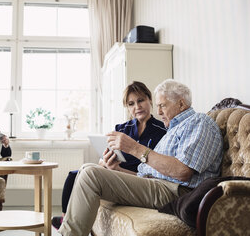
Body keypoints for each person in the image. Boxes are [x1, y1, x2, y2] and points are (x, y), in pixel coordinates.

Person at [58, 79, 223, 236]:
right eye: (158, 106)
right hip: (160, 185)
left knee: (90, 174)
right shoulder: (173, 130)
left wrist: (135, 148)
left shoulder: (200, 122)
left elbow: (182, 172)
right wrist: (117, 169)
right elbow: (146, 176)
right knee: (87, 168)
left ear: (181, 103)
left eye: (162, 106)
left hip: (178, 191)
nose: (158, 112)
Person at [52, 81, 167, 229]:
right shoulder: (121, 129)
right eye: (131, 104)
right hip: (113, 171)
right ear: (127, 107)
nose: (137, 107)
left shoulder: (162, 131)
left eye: (141, 101)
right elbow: (104, 157)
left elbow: (153, 172)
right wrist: (105, 163)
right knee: (74, 175)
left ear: (149, 100)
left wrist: (117, 169)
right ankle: (65, 218)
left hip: (136, 178)